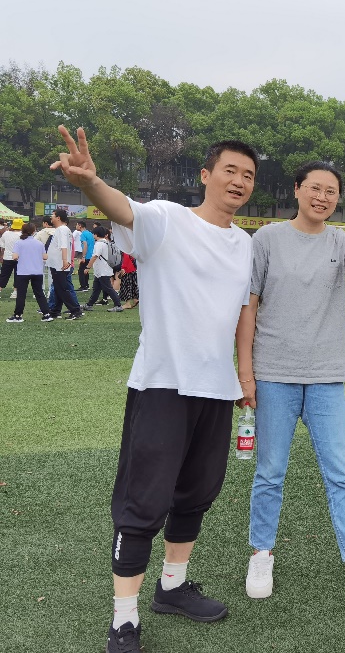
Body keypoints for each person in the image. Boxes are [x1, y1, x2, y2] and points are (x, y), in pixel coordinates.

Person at [52, 125, 260, 653]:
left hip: (216, 390)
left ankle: (172, 587)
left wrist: (244, 375)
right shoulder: (168, 219)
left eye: (248, 175)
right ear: (205, 175)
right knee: (143, 502)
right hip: (163, 384)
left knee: (197, 493)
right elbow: (122, 208)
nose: (239, 181)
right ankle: (124, 620)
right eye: (230, 170)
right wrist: (90, 182)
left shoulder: (244, 245)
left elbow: (243, 311)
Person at [236, 160, 345, 610]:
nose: (322, 197)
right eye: (314, 188)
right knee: (269, 472)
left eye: (331, 191)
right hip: (274, 374)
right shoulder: (266, 239)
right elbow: (248, 308)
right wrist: (246, 374)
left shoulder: (341, 240)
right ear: (296, 190)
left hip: (326, 376)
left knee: (340, 474)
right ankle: (261, 554)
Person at [7, 223, 53, 322]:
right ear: (34, 231)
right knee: (39, 293)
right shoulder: (39, 243)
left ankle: (18, 315)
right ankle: (46, 314)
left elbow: (15, 257)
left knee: (21, 294)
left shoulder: (19, 243)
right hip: (37, 271)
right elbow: (45, 257)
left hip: (23, 272)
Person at [46, 209, 84, 320]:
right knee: (58, 288)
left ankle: (75, 310)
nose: (51, 217)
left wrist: (64, 260)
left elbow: (64, 246)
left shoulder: (62, 229)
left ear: (58, 218)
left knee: (62, 288)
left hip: (59, 264)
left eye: (53, 215)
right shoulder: (62, 229)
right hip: (57, 263)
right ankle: (55, 311)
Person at [81, 226, 124, 312]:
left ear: (96, 234)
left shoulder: (99, 244)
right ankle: (89, 304)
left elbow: (95, 256)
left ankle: (118, 305)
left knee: (108, 288)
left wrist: (88, 267)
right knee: (96, 289)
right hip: (103, 270)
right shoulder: (106, 243)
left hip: (102, 270)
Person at [0, 218, 23, 299]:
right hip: (19, 258)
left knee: (4, 275)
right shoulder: (22, 235)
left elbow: (2, 246)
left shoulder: (6, 233)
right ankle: (15, 292)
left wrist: (1, 256)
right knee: (18, 275)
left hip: (7, 257)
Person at [76, 221, 96, 291]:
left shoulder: (83, 234)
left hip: (87, 255)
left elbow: (85, 245)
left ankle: (83, 286)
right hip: (91, 254)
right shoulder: (90, 233)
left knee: (81, 271)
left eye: (77, 225)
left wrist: (83, 256)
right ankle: (86, 285)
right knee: (85, 270)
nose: (76, 226)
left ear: (80, 226)